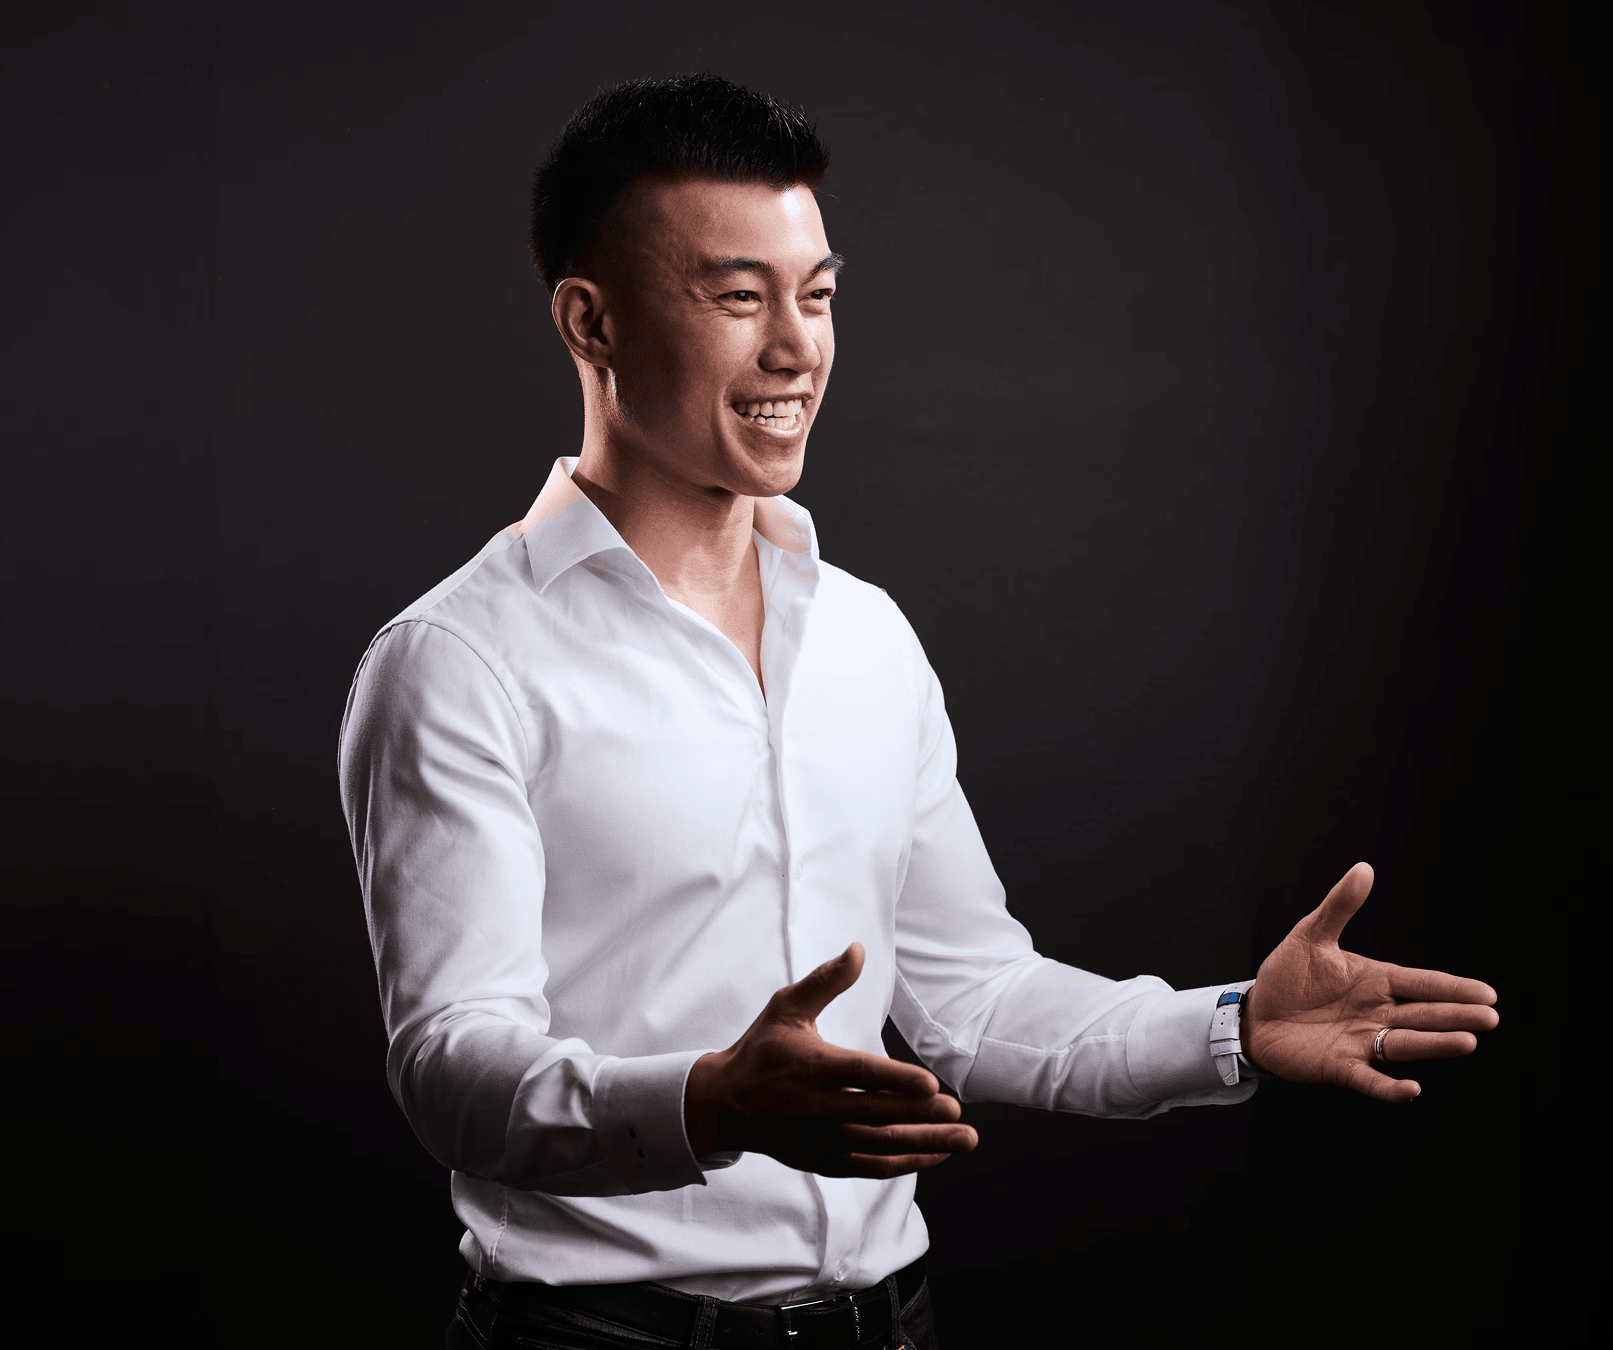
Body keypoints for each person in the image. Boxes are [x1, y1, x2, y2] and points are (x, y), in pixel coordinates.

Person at [338, 73, 1499, 1350]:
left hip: (890, 1328)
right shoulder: (457, 660)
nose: (797, 348)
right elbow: (452, 1064)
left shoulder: (869, 637)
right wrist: (710, 1103)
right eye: (739, 297)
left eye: (818, 294)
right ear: (591, 321)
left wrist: (1233, 1030)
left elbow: (975, 1000)